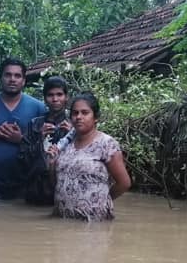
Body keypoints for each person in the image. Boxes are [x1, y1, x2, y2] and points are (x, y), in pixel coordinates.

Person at [48, 92, 132, 221]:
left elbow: (124, 183)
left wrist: (102, 199)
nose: (79, 117)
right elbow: (57, 183)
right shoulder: (65, 144)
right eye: (75, 113)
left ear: (96, 117)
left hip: (93, 222)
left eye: (85, 113)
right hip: (62, 220)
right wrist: (52, 163)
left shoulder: (107, 144)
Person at [0, 58, 46, 199]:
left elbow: (47, 146)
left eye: (17, 76)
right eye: (8, 75)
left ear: (23, 80)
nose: (12, 79)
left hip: (27, 183)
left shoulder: (38, 107)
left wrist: (21, 139)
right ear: (0, 78)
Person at [20, 75, 73, 206]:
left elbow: (86, 157)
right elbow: (22, 159)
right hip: (36, 191)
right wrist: (40, 138)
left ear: (66, 97)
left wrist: (73, 135)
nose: (55, 99)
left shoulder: (75, 124)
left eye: (59, 94)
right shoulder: (34, 124)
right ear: (45, 99)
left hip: (65, 191)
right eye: (50, 95)